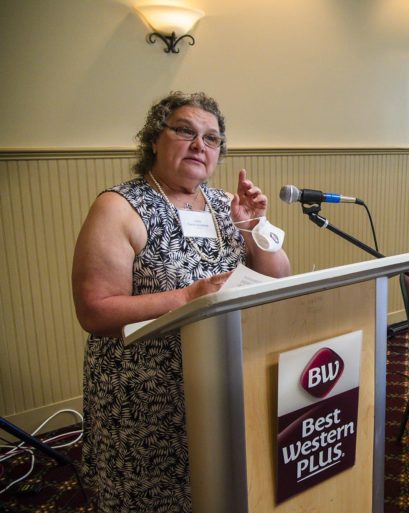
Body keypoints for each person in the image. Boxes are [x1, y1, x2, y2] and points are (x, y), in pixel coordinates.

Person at [72, 92, 291, 513]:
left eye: (212, 139)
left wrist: (252, 225)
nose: (199, 146)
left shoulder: (224, 204)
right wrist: (189, 297)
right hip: (146, 394)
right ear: (155, 139)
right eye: (186, 131)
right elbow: (95, 310)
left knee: (217, 491)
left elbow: (278, 276)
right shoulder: (119, 207)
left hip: (222, 381)